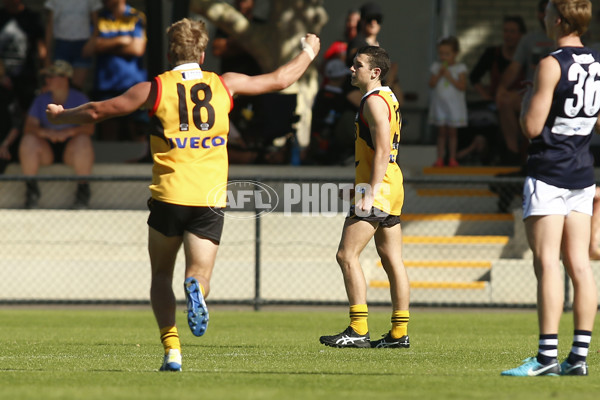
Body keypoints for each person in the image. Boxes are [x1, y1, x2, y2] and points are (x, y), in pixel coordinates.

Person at [46, 18, 320, 371]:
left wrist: (61, 115)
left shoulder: (155, 88)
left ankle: (172, 349)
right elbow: (281, 79)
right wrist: (309, 51)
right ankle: (195, 287)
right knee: (200, 275)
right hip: (209, 199)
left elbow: (99, 110)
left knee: (160, 275)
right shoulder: (225, 84)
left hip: (169, 196)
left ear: (171, 52)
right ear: (202, 54)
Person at [501, 0, 598, 377]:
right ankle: (579, 358)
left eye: (545, 12)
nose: (542, 18)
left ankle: (545, 358)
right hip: (582, 173)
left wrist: (529, 97)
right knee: (580, 265)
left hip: (548, 172)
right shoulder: (597, 61)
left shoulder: (550, 62)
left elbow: (531, 128)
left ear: (557, 18)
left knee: (547, 263)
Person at [319, 46, 410, 349]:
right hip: (392, 184)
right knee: (392, 259)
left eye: (357, 65)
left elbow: (382, 148)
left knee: (346, 255)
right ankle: (399, 333)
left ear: (375, 72)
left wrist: (368, 191)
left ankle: (358, 329)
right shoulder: (389, 97)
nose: (351, 69)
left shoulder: (372, 101)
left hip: (378, 187)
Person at [19, 60, 94, 209]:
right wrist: (47, 133)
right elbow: (29, 127)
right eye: (47, 76)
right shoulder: (41, 99)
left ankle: (83, 190)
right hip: (46, 147)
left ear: (65, 78)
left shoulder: (80, 98)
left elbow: (89, 128)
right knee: (28, 140)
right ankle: (31, 190)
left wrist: (68, 132)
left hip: (70, 149)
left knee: (83, 141)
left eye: (52, 76)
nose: (47, 80)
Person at [457, 16, 526, 165]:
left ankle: (515, 152)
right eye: (505, 31)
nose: (508, 35)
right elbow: (474, 77)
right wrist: (486, 95)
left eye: (512, 32)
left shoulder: (526, 55)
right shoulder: (492, 53)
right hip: (497, 101)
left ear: (521, 35)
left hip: (521, 99)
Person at [496, 0, 554, 164]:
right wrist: (501, 88)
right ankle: (513, 155)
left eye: (548, 11)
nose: (545, 15)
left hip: (558, 94)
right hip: (532, 92)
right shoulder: (529, 39)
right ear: (538, 14)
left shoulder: (565, 38)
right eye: (542, 11)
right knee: (506, 101)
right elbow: (514, 68)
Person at [84, 0, 147, 146]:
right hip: (106, 83)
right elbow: (90, 47)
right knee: (108, 130)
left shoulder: (136, 16)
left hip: (133, 82)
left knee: (138, 129)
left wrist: (105, 45)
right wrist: (122, 40)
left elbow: (137, 49)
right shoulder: (99, 16)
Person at [0, 0, 46, 137]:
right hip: (2, 76)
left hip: (26, 75)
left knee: (28, 111)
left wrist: (44, 76)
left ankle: (25, 142)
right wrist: (1, 75)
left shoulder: (32, 17)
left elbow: (41, 49)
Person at [44, 0, 102, 90]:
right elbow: (50, 25)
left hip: (82, 44)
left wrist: (92, 42)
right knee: (60, 85)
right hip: (62, 44)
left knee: (77, 88)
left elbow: (96, 24)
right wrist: (47, 55)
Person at [428, 36, 468, 167]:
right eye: (441, 54)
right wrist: (440, 74)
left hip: (454, 106)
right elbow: (432, 84)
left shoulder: (460, 68)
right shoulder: (436, 67)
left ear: (455, 54)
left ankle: (452, 157)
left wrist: (449, 76)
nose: (443, 57)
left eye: (447, 54)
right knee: (441, 133)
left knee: (452, 133)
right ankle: (439, 157)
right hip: (440, 106)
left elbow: (462, 86)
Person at [308, 58, 355, 165]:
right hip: (333, 142)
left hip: (319, 140)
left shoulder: (321, 94)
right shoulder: (343, 96)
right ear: (343, 76)